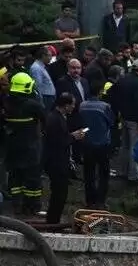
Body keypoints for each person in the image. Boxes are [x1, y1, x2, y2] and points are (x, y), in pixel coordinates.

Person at [3, 73, 47, 215]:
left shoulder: (6, 103)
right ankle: (32, 207)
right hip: (30, 148)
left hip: (11, 148)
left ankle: (17, 204)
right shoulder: (32, 105)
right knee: (32, 179)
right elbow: (45, 118)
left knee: (15, 177)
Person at [43, 94, 86, 224]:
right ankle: (52, 220)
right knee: (59, 193)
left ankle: (54, 218)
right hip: (56, 161)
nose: (74, 107)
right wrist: (73, 137)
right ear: (66, 105)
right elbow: (57, 141)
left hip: (59, 160)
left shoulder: (58, 117)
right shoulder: (55, 119)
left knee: (60, 192)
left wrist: (71, 135)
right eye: (72, 104)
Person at [109, 59, 138, 183]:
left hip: (124, 117)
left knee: (125, 146)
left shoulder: (123, 79)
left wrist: (119, 110)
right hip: (134, 120)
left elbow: (112, 94)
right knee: (135, 147)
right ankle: (133, 175)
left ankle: (123, 171)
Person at [78, 79, 116, 209]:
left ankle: (90, 200)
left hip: (87, 143)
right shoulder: (105, 106)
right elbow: (111, 122)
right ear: (100, 92)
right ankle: (100, 201)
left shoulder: (82, 105)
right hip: (102, 144)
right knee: (103, 174)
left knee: (89, 173)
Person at [28, 45, 56, 110]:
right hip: (45, 98)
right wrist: (40, 102)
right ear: (43, 56)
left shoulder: (41, 67)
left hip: (48, 98)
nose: (51, 57)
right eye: (49, 55)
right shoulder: (36, 68)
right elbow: (37, 87)